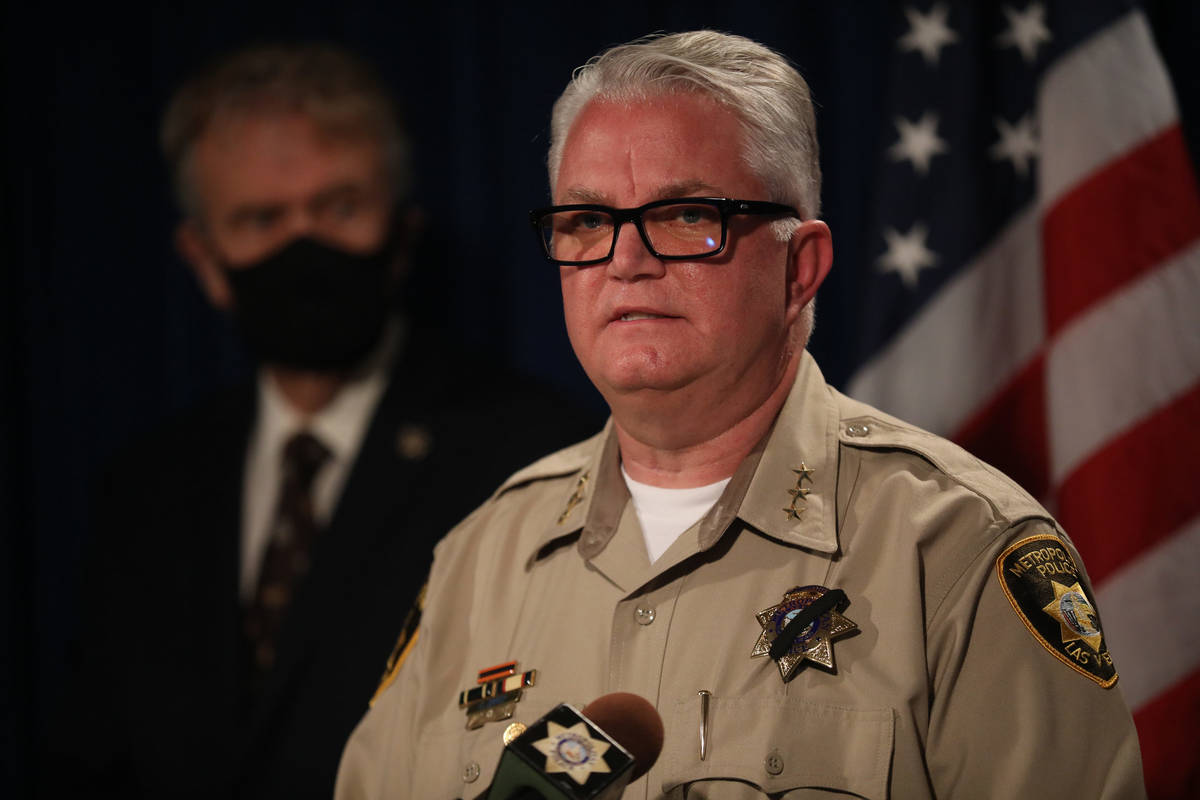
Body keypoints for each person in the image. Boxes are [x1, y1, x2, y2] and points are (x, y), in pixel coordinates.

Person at [335, 30, 1146, 799]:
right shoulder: (479, 560)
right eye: (586, 222)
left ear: (801, 267)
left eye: (687, 216)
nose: (625, 260)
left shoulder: (957, 549)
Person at [45, 43, 594, 799]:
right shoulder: (144, 487)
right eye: (261, 219)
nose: (303, 246)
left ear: (401, 234)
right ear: (203, 259)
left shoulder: (535, 454)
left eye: (340, 208)